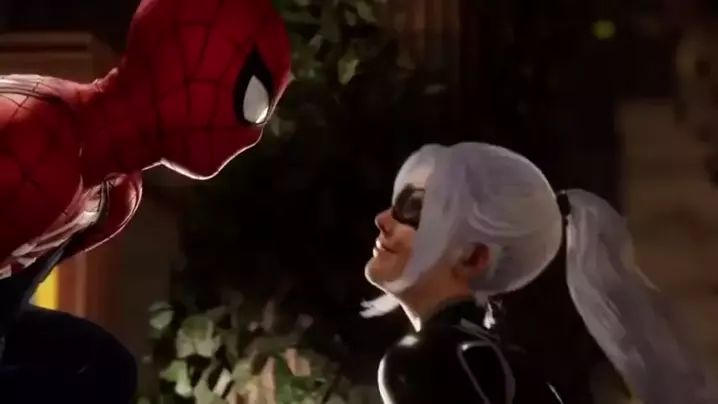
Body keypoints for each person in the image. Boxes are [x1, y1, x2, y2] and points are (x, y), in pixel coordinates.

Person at [0, 0, 291, 402]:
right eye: (254, 100)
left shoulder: (117, 194)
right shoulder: (41, 144)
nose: (252, 135)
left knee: (102, 367)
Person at [362, 142, 718, 404]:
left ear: (473, 256)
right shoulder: (502, 358)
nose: (382, 220)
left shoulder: (426, 362)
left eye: (414, 209)